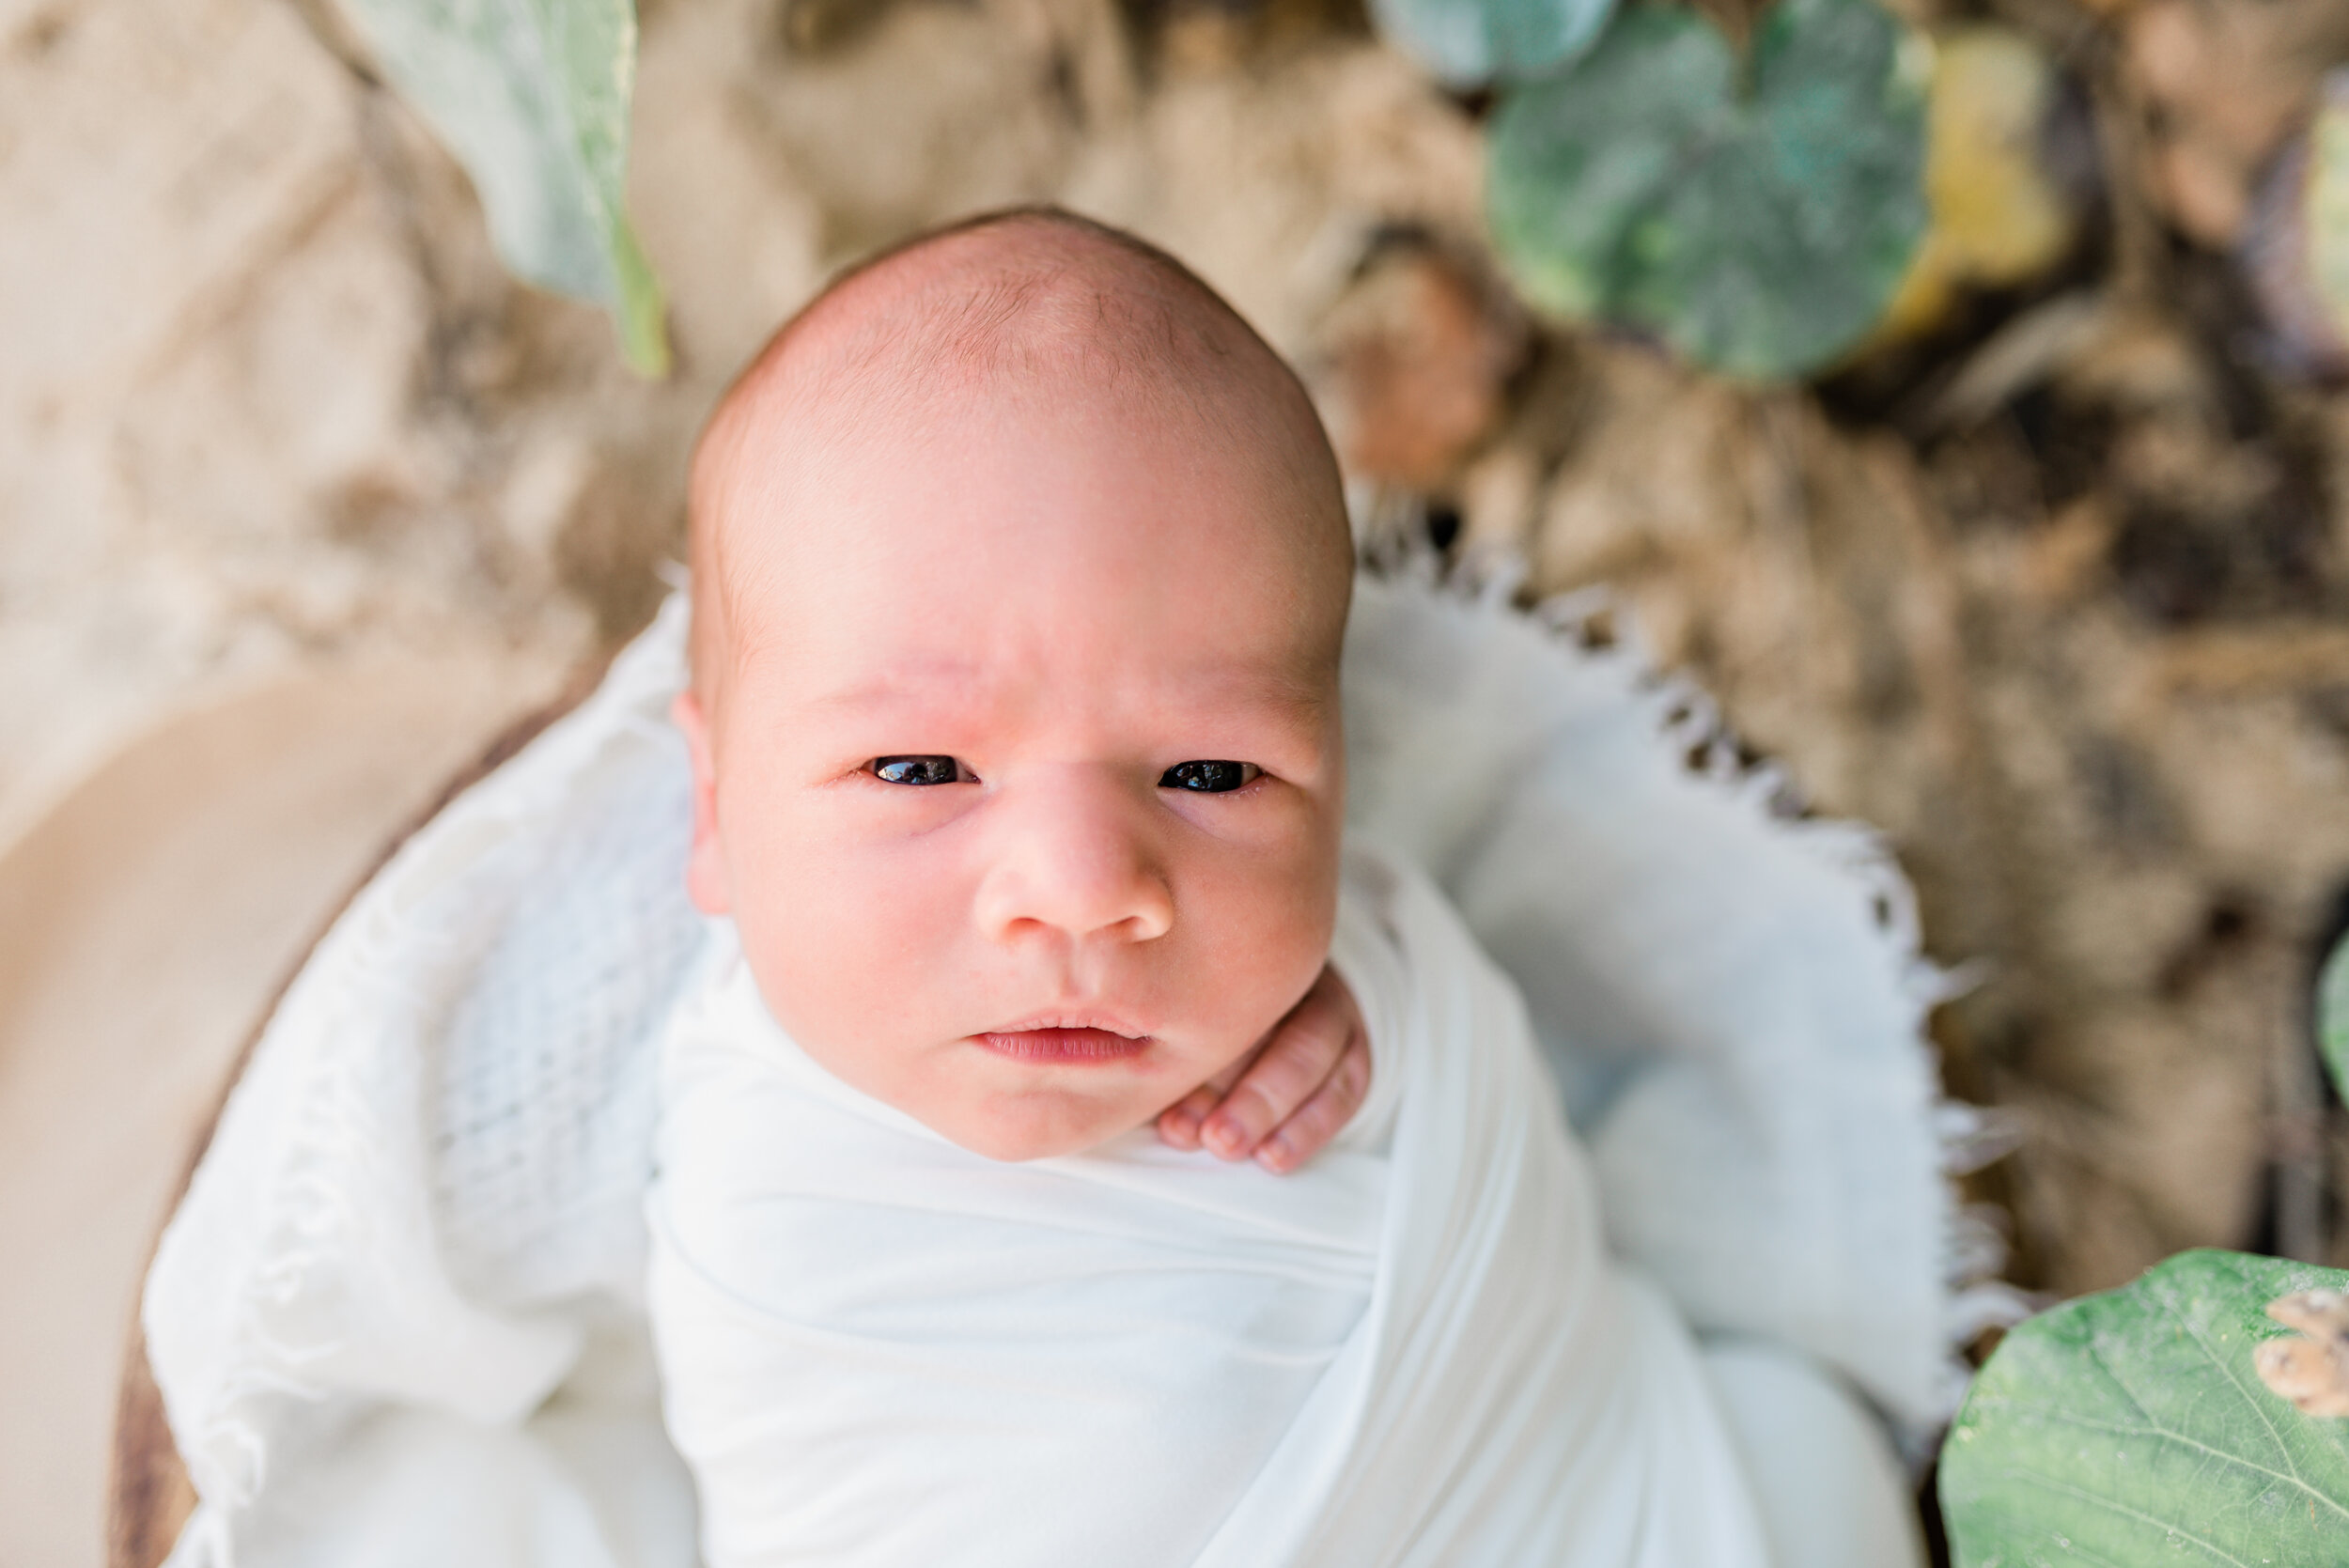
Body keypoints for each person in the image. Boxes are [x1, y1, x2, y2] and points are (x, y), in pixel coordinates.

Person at [646, 207, 1922, 1566]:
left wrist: (1389, 1040)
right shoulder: (760, 1183)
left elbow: (1505, 1162)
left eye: (1209, 776)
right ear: (715, 810)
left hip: (1600, 1495)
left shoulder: (1343, 1005)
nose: (1084, 889)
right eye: (918, 766)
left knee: (1801, 1452)